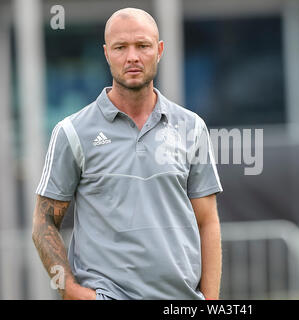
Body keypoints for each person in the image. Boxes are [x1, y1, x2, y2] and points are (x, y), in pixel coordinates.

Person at [31, 8, 223, 300]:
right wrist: (69, 290)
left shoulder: (192, 127)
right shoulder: (72, 132)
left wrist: (211, 302)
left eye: (142, 45)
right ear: (107, 54)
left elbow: (207, 221)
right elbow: (43, 224)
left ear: (159, 51)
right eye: (121, 47)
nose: (132, 56)